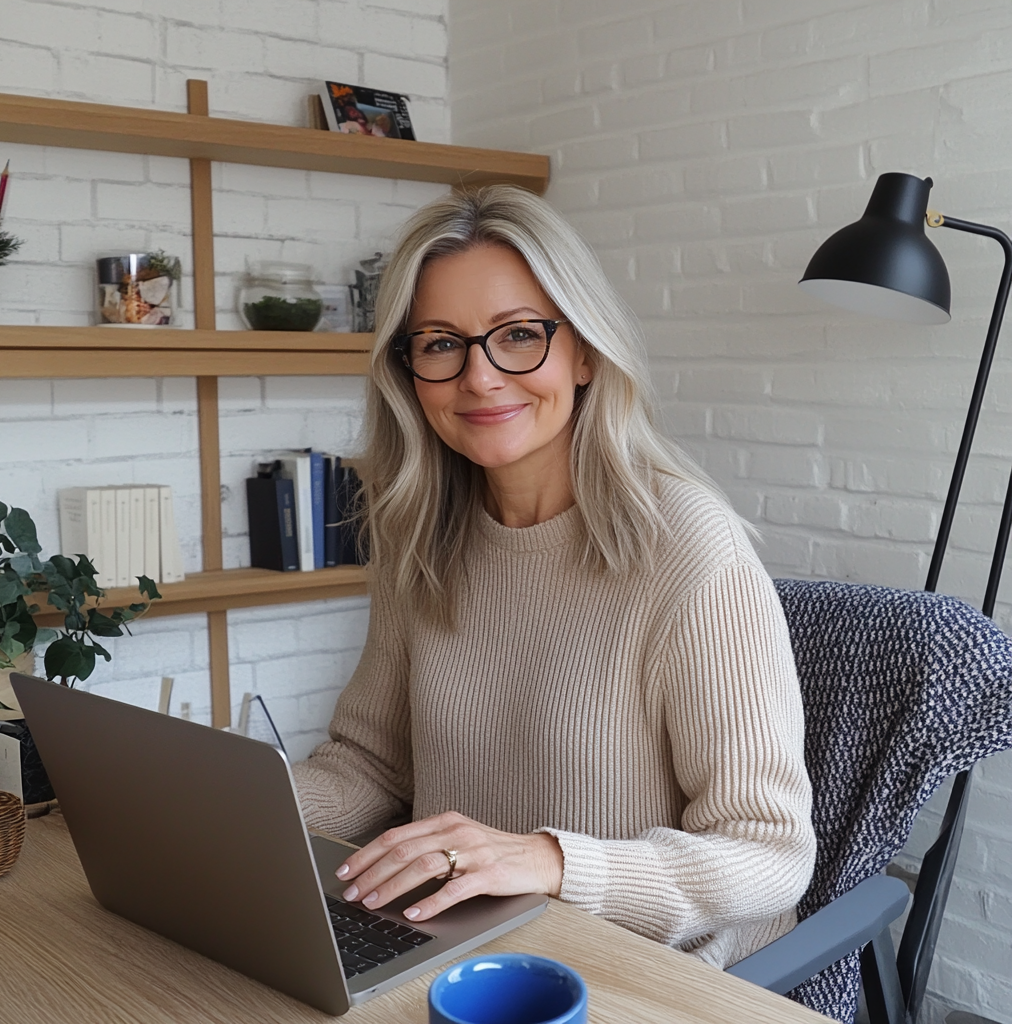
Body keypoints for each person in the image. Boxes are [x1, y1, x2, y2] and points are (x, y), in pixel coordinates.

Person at [293, 185, 816, 968]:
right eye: (440, 343)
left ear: (584, 352)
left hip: (639, 971)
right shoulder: (421, 539)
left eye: (519, 335)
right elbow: (372, 765)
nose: (480, 376)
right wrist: (227, 801)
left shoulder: (689, 547)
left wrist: (554, 862)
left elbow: (769, 854)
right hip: (459, 947)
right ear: (408, 373)